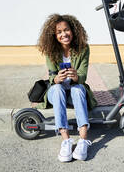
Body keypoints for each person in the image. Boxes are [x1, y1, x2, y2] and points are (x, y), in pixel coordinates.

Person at [37, 14, 97, 162]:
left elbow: (83, 75)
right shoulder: (51, 50)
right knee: (57, 89)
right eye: (59, 32)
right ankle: (66, 141)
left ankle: (83, 141)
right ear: (54, 35)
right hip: (56, 92)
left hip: (74, 90)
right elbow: (51, 77)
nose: (64, 34)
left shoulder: (83, 48)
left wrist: (76, 77)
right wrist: (57, 78)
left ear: (73, 30)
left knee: (77, 89)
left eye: (67, 30)